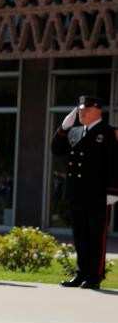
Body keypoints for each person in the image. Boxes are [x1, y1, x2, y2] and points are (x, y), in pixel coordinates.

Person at [52, 96, 118, 291]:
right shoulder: (75, 132)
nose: (82, 113)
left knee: (96, 236)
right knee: (80, 235)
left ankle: (94, 276)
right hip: (76, 192)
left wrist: (113, 190)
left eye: (86, 109)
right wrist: (63, 129)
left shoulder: (108, 132)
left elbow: (115, 163)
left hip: (97, 194)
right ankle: (81, 273)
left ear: (98, 111)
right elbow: (57, 149)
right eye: (80, 109)